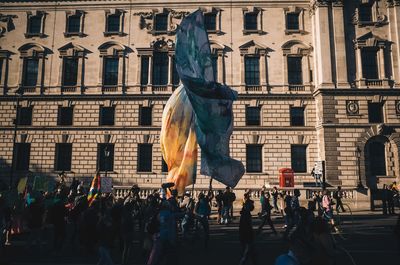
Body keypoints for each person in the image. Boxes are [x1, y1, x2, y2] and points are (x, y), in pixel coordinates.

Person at [239, 193, 257, 265]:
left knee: (248, 248)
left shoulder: (245, 210)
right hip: (247, 232)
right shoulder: (246, 212)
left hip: (244, 232)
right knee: (249, 248)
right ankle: (244, 259)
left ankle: (245, 259)